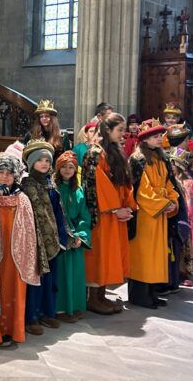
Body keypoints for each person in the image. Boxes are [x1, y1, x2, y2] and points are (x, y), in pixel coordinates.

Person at [82, 113, 136, 315]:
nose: (124, 134)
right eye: (120, 130)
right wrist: (115, 208)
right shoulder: (95, 153)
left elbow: (123, 181)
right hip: (102, 215)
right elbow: (95, 186)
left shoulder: (115, 151)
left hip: (115, 213)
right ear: (107, 130)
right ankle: (93, 298)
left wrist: (128, 205)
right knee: (99, 255)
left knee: (110, 255)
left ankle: (102, 295)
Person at [128, 119, 179, 310]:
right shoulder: (138, 159)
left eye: (160, 136)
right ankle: (139, 295)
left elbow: (168, 183)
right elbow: (141, 190)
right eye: (155, 136)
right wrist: (162, 203)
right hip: (145, 215)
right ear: (145, 139)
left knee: (156, 254)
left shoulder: (161, 158)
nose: (160, 139)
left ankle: (151, 291)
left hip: (159, 212)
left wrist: (173, 200)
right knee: (143, 254)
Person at [0, 154, 38, 346]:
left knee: (15, 290)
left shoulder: (22, 199)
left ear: (16, 176)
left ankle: (12, 330)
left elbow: (29, 229)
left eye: (9, 173)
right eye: (1, 172)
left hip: (16, 255)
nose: (4, 177)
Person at [21, 140, 67, 334]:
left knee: (51, 280)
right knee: (35, 280)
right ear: (31, 162)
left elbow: (58, 213)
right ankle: (32, 317)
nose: (44, 164)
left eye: (47, 160)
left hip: (52, 240)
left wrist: (62, 237)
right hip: (34, 241)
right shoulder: (26, 185)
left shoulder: (51, 185)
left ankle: (48, 313)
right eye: (39, 160)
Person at [54, 151, 91, 322]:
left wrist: (81, 236)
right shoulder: (53, 188)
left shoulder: (78, 191)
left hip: (75, 238)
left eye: (71, 167)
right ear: (58, 168)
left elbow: (84, 217)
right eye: (64, 167)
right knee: (60, 274)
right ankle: (60, 309)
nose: (67, 170)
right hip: (58, 238)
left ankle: (74, 306)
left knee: (75, 273)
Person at [168, 147, 193, 286]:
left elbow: (191, 208)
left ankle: (184, 273)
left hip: (185, 220)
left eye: (173, 164)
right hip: (172, 218)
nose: (171, 167)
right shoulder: (169, 181)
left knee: (184, 248)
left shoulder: (189, 184)